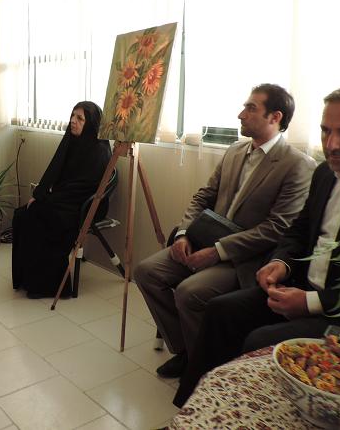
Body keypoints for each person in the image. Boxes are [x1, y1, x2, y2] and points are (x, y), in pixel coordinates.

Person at [174, 85, 340, 406]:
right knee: (221, 311)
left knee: (259, 340)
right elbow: (299, 229)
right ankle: (195, 412)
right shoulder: (326, 171)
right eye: (325, 130)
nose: (331, 144)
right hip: (301, 286)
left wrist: (310, 302)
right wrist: (281, 263)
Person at [135, 84, 315, 379]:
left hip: (243, 257)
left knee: (190, 293)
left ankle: (203, 366)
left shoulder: (297, 165)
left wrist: (218, 251)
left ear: (275, 117)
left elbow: (277, 228)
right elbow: (203, 197)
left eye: (251, 108)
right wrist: (183, 234)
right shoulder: (234, 151)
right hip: (203, 240)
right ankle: (188, 352)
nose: (241, 114)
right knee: (146, 272)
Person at [12, 101, 112, 298]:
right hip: (65, 199)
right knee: (22, 214)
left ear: (91, 124)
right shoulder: (72, 142)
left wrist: (48, 199)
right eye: (73, 116)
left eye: (80, 118)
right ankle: (26, 279)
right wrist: (40, 195)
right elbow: (54, 170)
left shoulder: (99, 151)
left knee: (39, 217)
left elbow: (83, 188)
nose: (73, 121)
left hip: (84, 205)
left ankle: (46, 285)